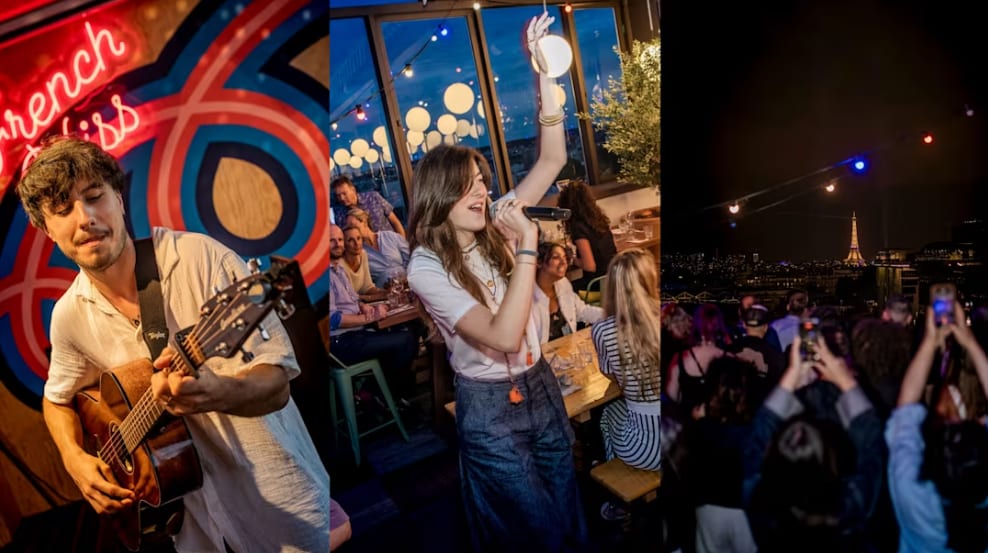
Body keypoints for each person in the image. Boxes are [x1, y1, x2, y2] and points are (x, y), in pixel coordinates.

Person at [18, 137, 330, 552]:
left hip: (277, 508)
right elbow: (56, 399)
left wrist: (222, 393)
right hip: (188, 525)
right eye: (62, 210)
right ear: (46, 227)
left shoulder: (200, 259)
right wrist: (74, 459)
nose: (85, 218)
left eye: (95, 197)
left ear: (119, 200)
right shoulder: (70, 316)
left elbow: (277, 384)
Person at [406, 13, 587, 552]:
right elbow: (502, 335)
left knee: (568, 505)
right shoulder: (425, 266)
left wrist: (543, 74)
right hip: (487, 406)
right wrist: (527, 245)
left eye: (483, 183)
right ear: (440, 196)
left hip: (540, 382)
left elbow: (552, 156)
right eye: (469, 188)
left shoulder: (495, 223)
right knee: (535, 529)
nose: (484, 195)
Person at [886, 302, 988, 553]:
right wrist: (970, 341)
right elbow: (906, 407)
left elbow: (906, 403)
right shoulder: (909, 483)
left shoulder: (912, 488)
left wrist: (929, 342)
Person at [592, 248, 662, 519]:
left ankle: (620, 504)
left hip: (642, 449)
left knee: (607, 413)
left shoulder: (603, 330)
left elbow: (611, 376)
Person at [329, 224, 417, 400]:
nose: (338, 244)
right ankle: (377, 394)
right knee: (406, 341)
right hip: (342, 343)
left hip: (354, 336)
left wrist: (364, 306)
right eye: (332, 240)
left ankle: (383, 394)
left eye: (339, 240)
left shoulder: (338, 269)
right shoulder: (326, 275)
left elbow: (354, 298)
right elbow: (333, 320)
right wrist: (369, 317)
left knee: (405, 332)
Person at [532, 240, 603, 343]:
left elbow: (582, 311)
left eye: (565, 257)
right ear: (539, 263)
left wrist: (613, 314)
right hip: (543, 355)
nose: (563, 262)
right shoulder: (528, 296)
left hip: (569, 348)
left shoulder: (563, 283)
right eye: (556, 257)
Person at [556, 179, 617, 295]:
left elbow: (590, 266)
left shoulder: (578, 227)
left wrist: (573, 260)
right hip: (613, 279)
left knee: (560, 289)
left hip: (596, 284)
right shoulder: (599, 220)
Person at [346, 207, 409, 288]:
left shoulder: (389, 236)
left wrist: (407, 278)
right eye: (349, 227)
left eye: (352, 225)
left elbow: (411, 257)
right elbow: (363, 281)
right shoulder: (359, 252)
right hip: (384, 290)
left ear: (364, 222)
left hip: (408, 282)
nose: (352, 230)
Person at [331, 175, 406, 237]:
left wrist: (402, 242)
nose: (342, 198)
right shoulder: (339, 214)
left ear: (353, 190)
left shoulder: (373, 197)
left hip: (390, 244)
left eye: (344, 193)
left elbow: (395, 221)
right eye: (338, 195)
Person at [341, 224, 387, 302]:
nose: (357, 243)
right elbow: (348, 297)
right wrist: (377, 297)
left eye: (358, 238)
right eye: (350, 240)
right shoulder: (340, 265)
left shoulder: (363, 254)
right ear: (344, 244)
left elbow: (367, 287)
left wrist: (386, 292)